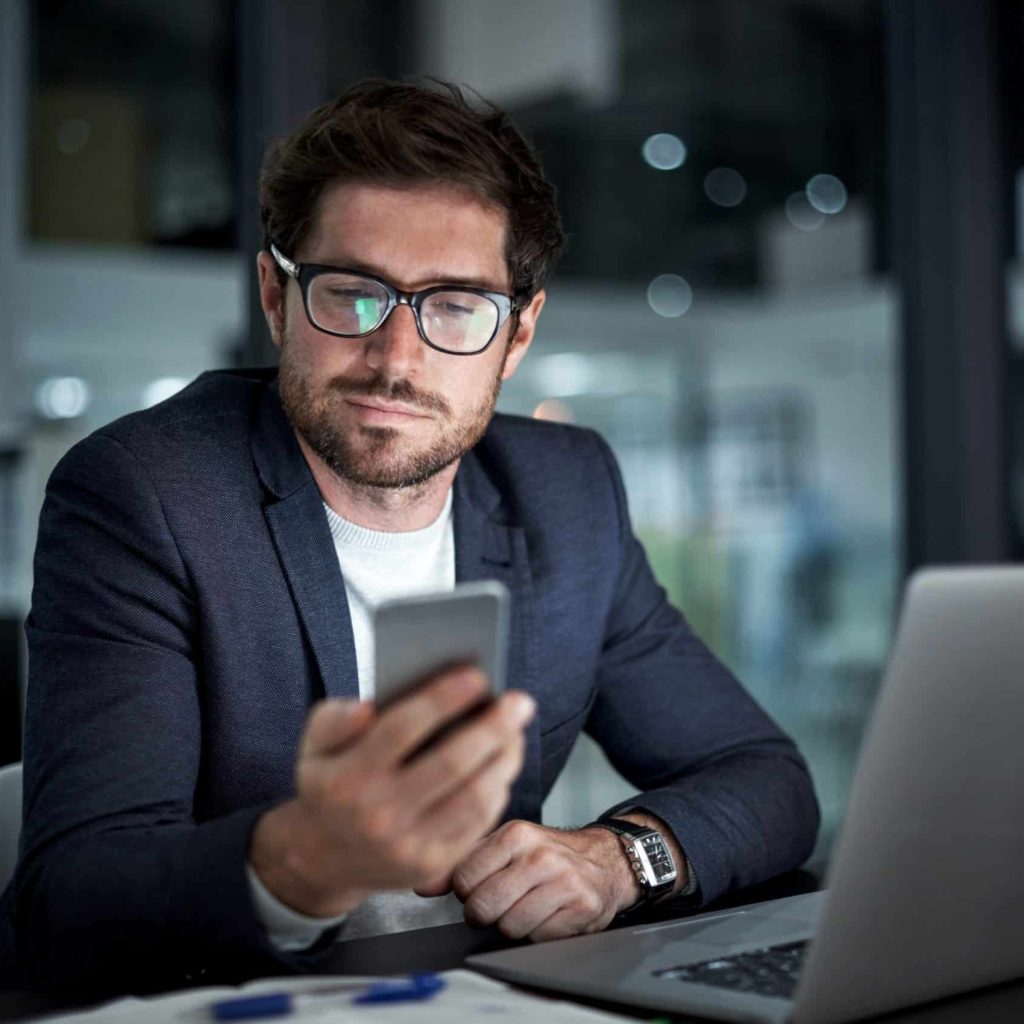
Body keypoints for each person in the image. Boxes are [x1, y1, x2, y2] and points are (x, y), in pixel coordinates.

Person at [0, 79, 818, 996]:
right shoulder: (148, 495)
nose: (396, 358)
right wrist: (307, 860)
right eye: (352, 295)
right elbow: (68, 906)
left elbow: (765, 780)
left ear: (517, 335)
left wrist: (621, 860)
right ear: (276, 295)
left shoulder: (566, 493)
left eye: (457, 307)